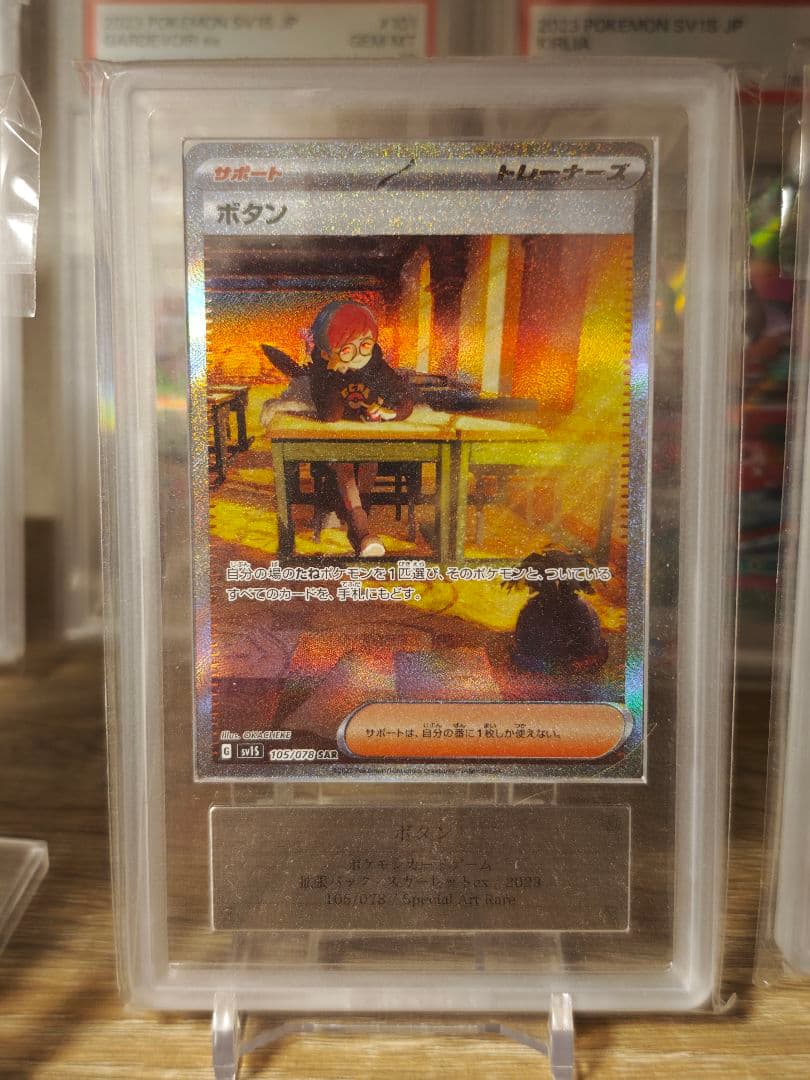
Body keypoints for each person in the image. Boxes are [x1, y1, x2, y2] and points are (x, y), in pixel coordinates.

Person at [308, 300, 414, 557]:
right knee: (344, 465)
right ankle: (362, 532)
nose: (359, 354)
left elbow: (405, 400)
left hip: (368, 440)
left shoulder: (376, 367)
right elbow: (330, 416)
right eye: (347, 348)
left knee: (369, 459)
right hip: (335, 445)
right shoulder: (323, 371)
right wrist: (334, 372)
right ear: (328, 350)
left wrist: (390, 412)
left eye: (365, 344)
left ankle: (358, 525)